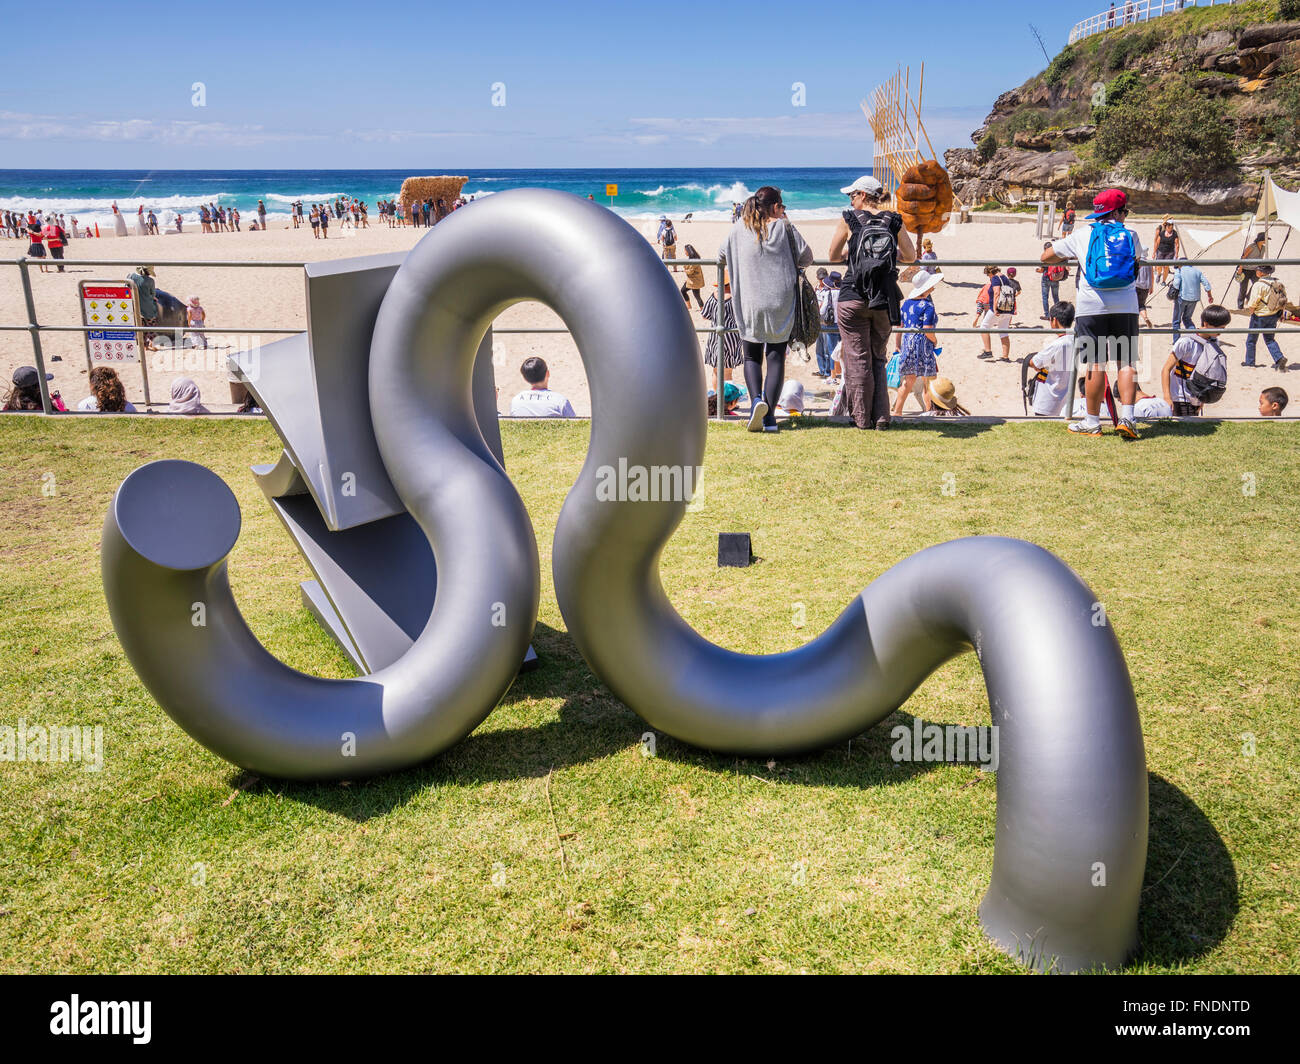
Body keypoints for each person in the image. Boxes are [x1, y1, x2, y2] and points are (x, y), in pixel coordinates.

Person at [1042, 187, 1146, 439]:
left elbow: (1046, 257)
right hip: (1126, 306)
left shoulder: (1082, 234)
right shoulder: (1131, 235)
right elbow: (1137, 264)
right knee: (1126, 363)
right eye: (1125, 211)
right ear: (1119, 212)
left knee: (1095, 364)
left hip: (1091, 307)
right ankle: (1128, 419)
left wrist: (1069, 259)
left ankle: (1091, 421)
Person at [718, 186, 813, 433]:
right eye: (782, 206)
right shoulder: (784, 227)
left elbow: (720, 255)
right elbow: (807, 257)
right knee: (775, 357)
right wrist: (785, 221)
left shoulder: (739, 228)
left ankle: (755, 404)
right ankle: (769, 418)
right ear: (775, 207)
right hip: (780, 301)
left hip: (749, 302)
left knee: (751, 356)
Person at [828, 175, 915, 430]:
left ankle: (862, 418)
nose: (850, 199)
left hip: (853, 295)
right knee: (878, 357)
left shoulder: (849, 219)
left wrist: (850, 252)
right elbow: (910, 256)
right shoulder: (894, 220)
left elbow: (832, 256)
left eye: (852, 195)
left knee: (857, 359)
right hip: (884, 298)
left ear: (863, 195)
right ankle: (881, 418)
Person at [1161, 304, 1231, 416]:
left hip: (1197, 397)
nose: (1221, 332)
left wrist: (1202, 399)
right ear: (1206, 324)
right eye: (1219, 328)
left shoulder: (1214, 343)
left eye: (1224, 328)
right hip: (1180, 397)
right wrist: (1167, 396)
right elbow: (1166, 369)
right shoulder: (1185, 342)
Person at [894, 269, 943, 415]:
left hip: (907, 342)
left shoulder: (907, 304)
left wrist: (897, 344)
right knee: (929, 381)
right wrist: (934, 340)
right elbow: (927, 329)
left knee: (908, 380)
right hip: (923, 345)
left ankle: (897, 411)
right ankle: (929, 412)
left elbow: (899, 326)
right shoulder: (928, 306)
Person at [1027, 301, 1077, 417]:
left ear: (1054, 320)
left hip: (1047, 400)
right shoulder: (1075, 340)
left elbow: (1034, 362)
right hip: (1065, 399)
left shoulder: (1056, 344)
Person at [1242, 263, 1287, 371]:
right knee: (1270, 339)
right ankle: (1279, 358)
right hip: (1273, 314)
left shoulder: (1258, 285)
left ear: (1261, 272)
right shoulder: (1277, 283)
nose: (1256, 271)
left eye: (1257, 269)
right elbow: (1283, 299)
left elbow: (1253, 303)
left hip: (1260, 315)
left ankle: (1250, 362)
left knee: (1251, 340)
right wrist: (1281, 313)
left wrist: (1251, 312)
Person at [701, 276, 742, 382]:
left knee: (716, 371)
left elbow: (704, 315)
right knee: (727, 372)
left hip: (715, 337)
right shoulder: (735, 298)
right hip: (731, 339)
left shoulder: (714, 296)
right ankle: (726, 398)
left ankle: (717, 396)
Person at [509, 357, 576, 417]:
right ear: (548, 373)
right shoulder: (560, 401)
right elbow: (575, 426)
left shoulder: (516, 401)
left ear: (525, 378)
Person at [975, 265, 1016, 361]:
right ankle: (1005, 356)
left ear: (990, 272)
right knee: (1003, 331)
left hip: (999, 308)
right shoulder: (1005, 278)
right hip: (1008, 308)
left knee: (984, 327)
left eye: (988, 275)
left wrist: (994, 307)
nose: (988, 277)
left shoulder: (995, 278)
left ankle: (988, 351)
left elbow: (996, 292)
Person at [1170, 260, 1214, 338]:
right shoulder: (1197, 271)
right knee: (1187, 319)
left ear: (1180, 265)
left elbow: (1176, 284)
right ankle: (1195, 337)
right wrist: (1209, 296)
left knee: (1176, 321)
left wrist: (1172, 287)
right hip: (1194, 299)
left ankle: (1176, 341)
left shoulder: (1179, 270)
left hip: (1182, 297)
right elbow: (1206, 284)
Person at [813, 269, 840, 378]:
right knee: (822, 347)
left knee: (828, 348)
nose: (821, 280)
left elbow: (822, 309)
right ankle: (824, 370)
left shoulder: (828, 291)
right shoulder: (817, 289)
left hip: (827, 321)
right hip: (828, 322)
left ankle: (830, 372)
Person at [127, 265, 160, 350]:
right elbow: (153, 294)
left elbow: (126, 288)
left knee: (141, 325)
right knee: (151, 324)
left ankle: (144, 345)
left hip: (135, 306)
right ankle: (152, 343)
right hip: (148, 307)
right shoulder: (150, 281)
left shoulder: (131, 277)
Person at [1236, 234, 1268, 310]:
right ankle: (1240, 305)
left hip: (1255, 270)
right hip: (1245, 269)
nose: (1266, 241)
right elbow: (1243, 257)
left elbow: (1260, 259)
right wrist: (1240, 268)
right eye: (1266, 239)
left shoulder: (1264, 248)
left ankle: (1248, 297)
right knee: (1243, 288)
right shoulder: (1251, 247)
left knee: (1257, 284)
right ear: (1261, 239)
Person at [1038, 243, 1067, 320]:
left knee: (1045, 297)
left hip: (1046, 278)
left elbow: (1041, 270)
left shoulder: (1045, 257)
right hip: (1055, 278)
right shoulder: (1056, 256)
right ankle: (1058, 315)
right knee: (1056, 297)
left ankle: (1047, 315)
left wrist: (1037, 271)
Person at [1152, 216, 1180, 284]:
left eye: (1171, 225)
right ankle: (1159, 274)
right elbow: (1157, 243)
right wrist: (1154, 252)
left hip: (1170, 252)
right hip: (1160, 251)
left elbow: (1177, 244)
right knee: (1159, 266)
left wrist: (1176, 253)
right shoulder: (1162, 232)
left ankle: (1164, 281)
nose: (1170, 227)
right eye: (1169, 225)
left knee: (1166, 266)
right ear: (1166, 225)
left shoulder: (1175, 233)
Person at [680, 245, 706, 310]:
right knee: (683, 291)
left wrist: (684, 269)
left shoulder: (693, 260)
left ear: (688, 251)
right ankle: (689, 306)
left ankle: (703, 309)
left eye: (685, 251)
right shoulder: (693, 258)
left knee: (697, 296)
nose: (684, 252)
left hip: (694, 281)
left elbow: (690, 271)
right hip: (691, 280)